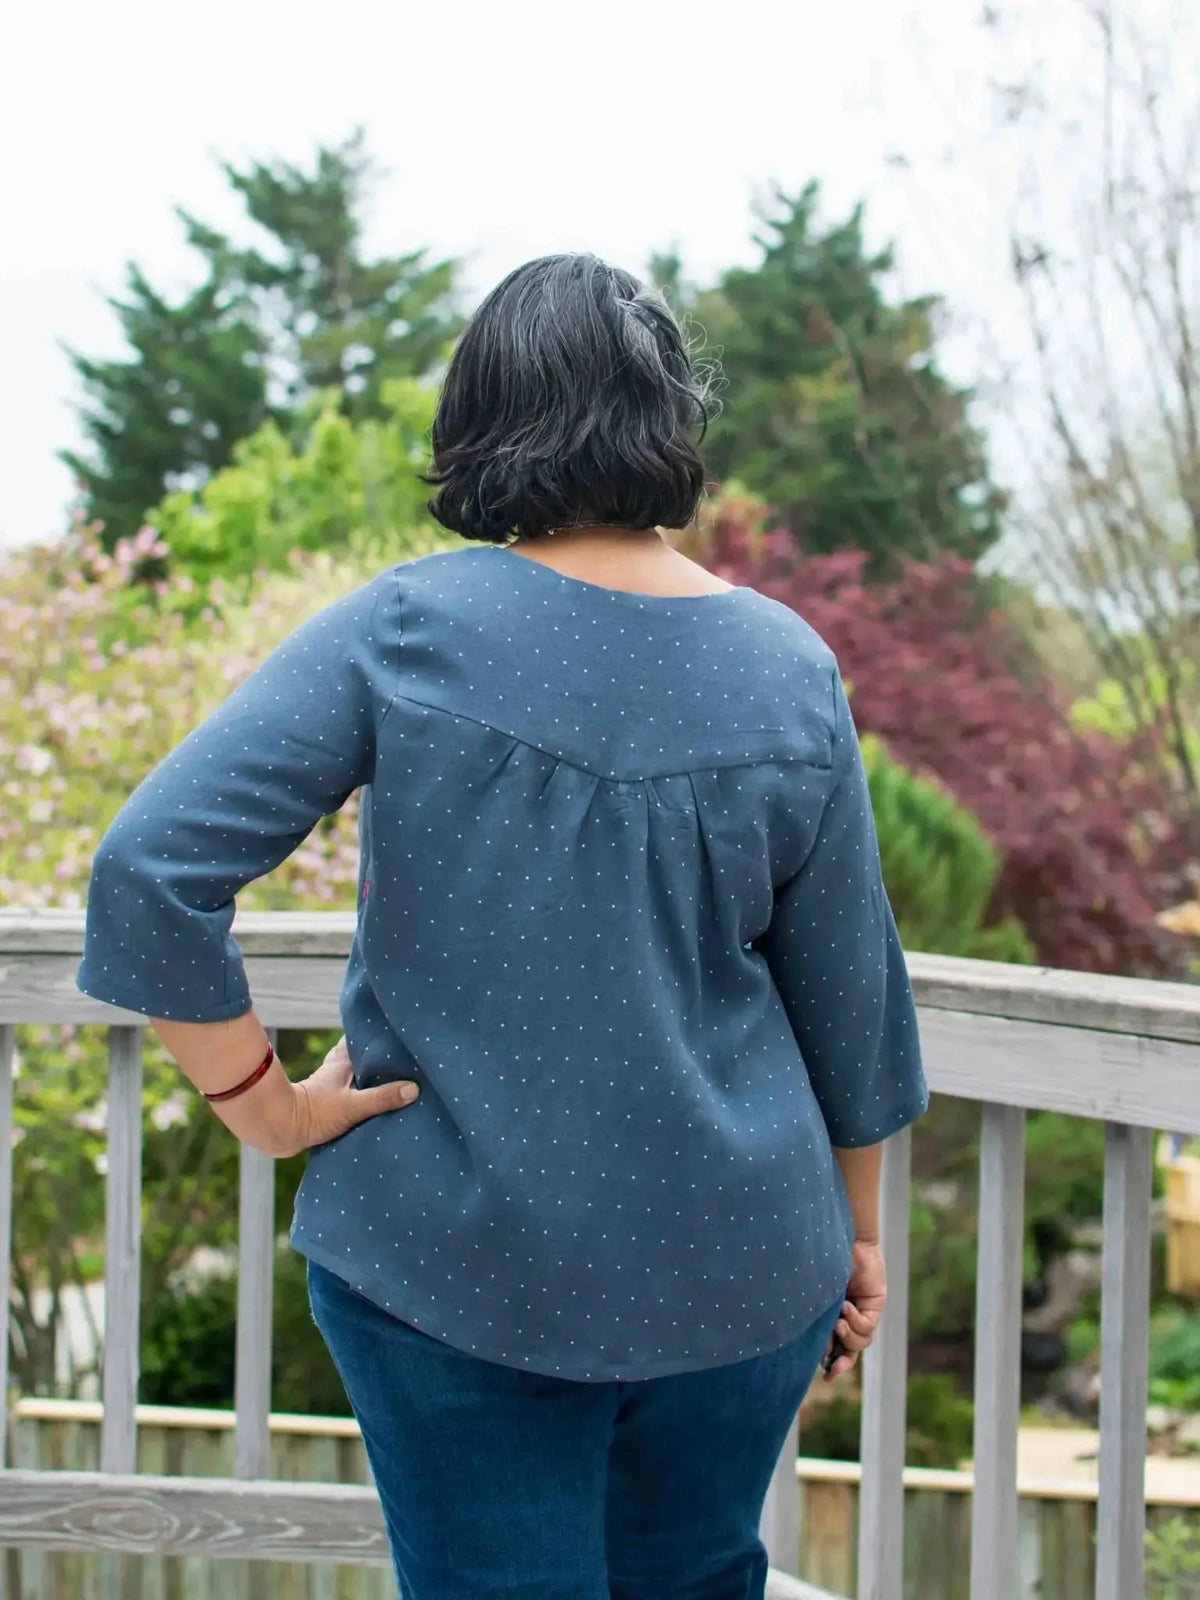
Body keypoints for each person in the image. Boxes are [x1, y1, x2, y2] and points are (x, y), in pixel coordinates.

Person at [77, 252, 929, 1600]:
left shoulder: (407, 630)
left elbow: (149, 871)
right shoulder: (788, 666)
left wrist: (265, 1111)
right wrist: (861, 1231)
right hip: (745, 1264)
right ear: (668, 422)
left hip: (450, 1263)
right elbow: (850, 994)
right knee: (701, 1577)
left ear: (482, 417)